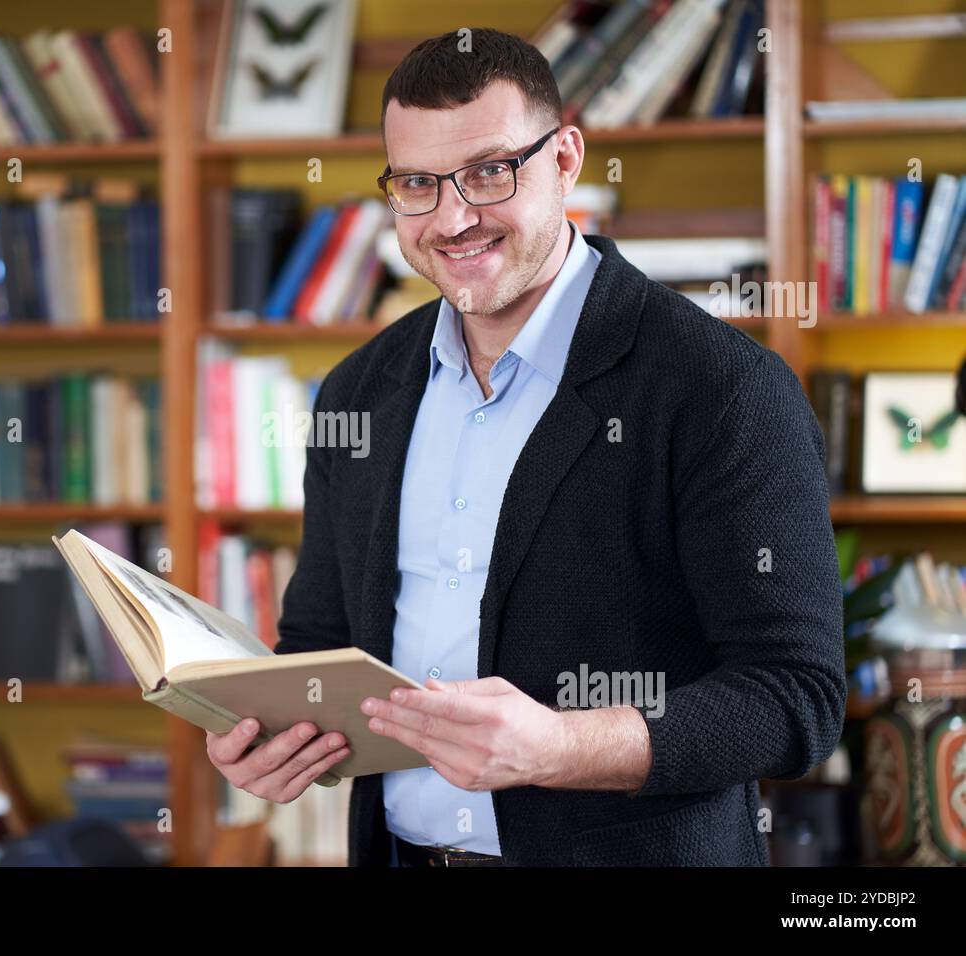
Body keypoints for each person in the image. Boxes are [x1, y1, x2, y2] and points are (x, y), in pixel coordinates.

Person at [206, 28, 845, 866]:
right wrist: (272, 731)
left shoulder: (722, 388)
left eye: (490, 172)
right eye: (417, 185)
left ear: (566, 158)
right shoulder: (356, 392)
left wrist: (560, 746)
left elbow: (794, 697)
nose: (454, 218)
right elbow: (323, 640)